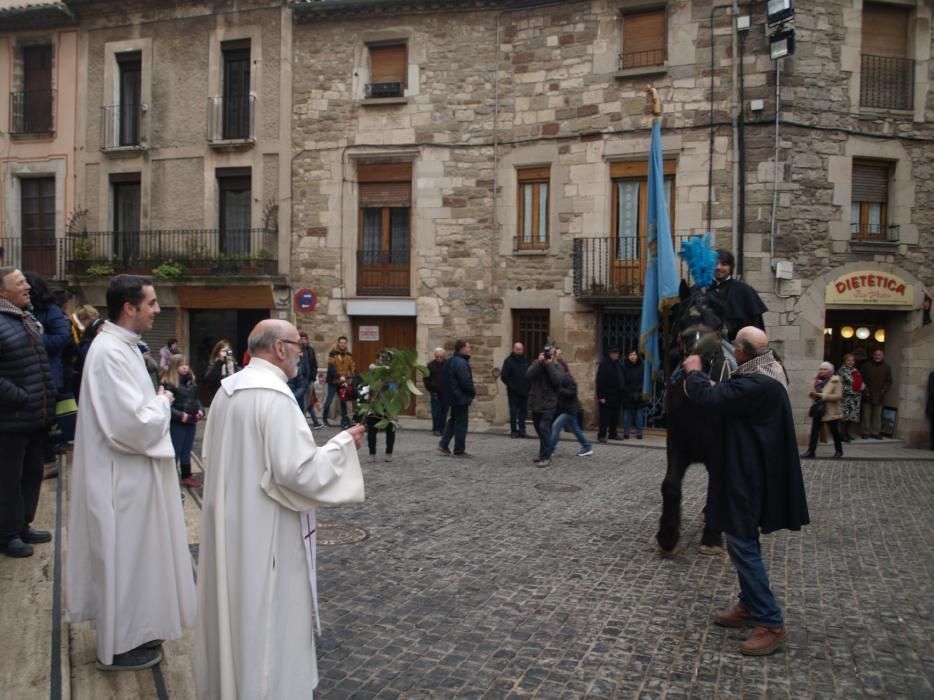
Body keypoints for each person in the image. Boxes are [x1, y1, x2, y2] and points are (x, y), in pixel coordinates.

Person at [194, 319, 366, 700]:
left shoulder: (228, 391)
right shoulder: (275, 396)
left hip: (231, 522)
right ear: (279, 348)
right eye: (297, 344)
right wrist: (342, 445)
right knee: (266, 614)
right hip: (266, 529)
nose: (302, 351)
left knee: (235, 612)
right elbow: (297, 471)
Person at [66, 275, 196, 671]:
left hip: (132, 475)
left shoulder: (119, 348)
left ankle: (136, 629)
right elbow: (130, 424)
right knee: (124, 557)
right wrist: (162, 400)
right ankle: (119, 645)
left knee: (136, 559)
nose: (157, 310)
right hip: (121, 478)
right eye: (152, 303)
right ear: (129, 307)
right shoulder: (109, 353)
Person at [682, 326, 809, 656]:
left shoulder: (757, 383)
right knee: (742, 541)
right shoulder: (765, 372)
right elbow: (732, 399)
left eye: (734, 347)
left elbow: (709, 399)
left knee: (741, 542)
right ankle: (749, 605)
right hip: (747, 469)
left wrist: (695, 373)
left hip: (747, 476)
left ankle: (770, 621)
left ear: (740, 351)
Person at [0, 267, 56, 558]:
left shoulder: (25, 318)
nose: (27, 286)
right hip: (11, 419)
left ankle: (22, 525)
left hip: (35, 416)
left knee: (32, 474)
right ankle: (7, 534)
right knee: (8, 479)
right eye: (19, 282)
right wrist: (20, 397)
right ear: (2, 292)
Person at [161, 354, 205, 487]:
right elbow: (166, 406)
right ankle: (170, 478)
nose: (185, 367)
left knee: (187, 449)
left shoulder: (191, 382)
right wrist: (181, 416)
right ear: (175, 367)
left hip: (190, 422)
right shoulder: (169, 383)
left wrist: (200, 411)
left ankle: (186, 475)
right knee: (175, 450)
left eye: (186, 364)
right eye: (181, 365)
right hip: (177, 424)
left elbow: (196, 399)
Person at [709, 250, 768, 342]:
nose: (718, 267)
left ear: (731, 267)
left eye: (724, 264)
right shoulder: (701, 289)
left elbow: (756, 327)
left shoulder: (744, 290)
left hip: (738, 347)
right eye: (715, 264)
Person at [526, 344, 564, 468]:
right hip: (536, 403)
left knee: (544, 428)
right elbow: (528, 375)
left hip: (549, 403)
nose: (549, 356)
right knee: (540, 430)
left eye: (551, 354)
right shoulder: (538, 364)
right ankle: (543, 453)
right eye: (547, 354)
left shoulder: (558, 367)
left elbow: (557, 380)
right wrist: (539, 362)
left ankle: (546, 456)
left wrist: (549, 364)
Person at [438, 339, 475, 457]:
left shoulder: (450, 361)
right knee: (461, 424)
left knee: (453, 420)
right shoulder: (461, 363)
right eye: (468, 347)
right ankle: (459, 450)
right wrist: (472, 392)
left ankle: (444, 444)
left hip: (452, 397)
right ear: (463, 348)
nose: (470, 349)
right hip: (460, 397)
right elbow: (466, 382)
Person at [547, 367, 593, 460]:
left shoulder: (567, 379)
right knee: (575, 429)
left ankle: (549, 450)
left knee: (556, 426)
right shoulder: (559, 380)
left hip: (570, 409)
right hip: (567, 409)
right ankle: (587, 447)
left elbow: (572, 392)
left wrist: (559, 390)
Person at [801, 361, 844, 459]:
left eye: (825, 369)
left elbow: (838, 396)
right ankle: (811, 451)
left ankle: (839, 451)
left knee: (834, 432)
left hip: (830, 410)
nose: (822, 371)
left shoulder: (835, 380)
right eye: (821, 369)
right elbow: (813, 392)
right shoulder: (816, 380)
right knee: (814, 431)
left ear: (830, 371)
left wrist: (823, 396)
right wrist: (812, 394)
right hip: (819, 409)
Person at [361, 350, 397, 462]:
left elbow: (394, 387)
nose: (383, 359)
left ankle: (388, 453)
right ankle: (372, 453)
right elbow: (370, 371)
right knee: (371, 430)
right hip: (374, 404)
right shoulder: (374, 368)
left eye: (386, 357)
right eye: (382, 357)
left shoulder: (394, 372)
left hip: (389, 405)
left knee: (390, 429)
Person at [322, 335, 356, 428]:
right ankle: (324, 420)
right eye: (341, 343)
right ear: (338, 343)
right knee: (329, 400)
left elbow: (352, 366)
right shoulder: (332, 353)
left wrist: (354, 374)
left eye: (344, 343)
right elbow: (331, 368)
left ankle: (344, 420)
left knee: (343, 401)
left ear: (346, 344)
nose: (342, 344)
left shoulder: (348, 355)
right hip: (333, 381)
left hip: (342, 382)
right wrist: (339, 376)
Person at [501, 341, 531, 438]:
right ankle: (513, 431)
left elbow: (530, 374)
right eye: (517, 349)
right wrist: (512, 386)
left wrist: (529, 386)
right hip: (513, 392)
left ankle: (522, 430)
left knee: (524, 412)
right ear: (513, 349)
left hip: (524, 391)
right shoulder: (508, 361)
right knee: (513, 412)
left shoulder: (526, 360)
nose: (519, 351)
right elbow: (504, 376)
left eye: (520, 349)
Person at [860, 349, 892, 439]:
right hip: (867, 393)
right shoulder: (866, 366)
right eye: (875, 354)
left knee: (877, 415)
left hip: (879, 394)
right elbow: (860, 379)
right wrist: (864, 389)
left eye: (879, 355)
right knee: (866, 414)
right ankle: (865, 432)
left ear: (883, 356)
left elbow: (889, 381)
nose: (877, 356)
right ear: (873, 355)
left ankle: (875, 432)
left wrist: (884, 391)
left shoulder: (887, 367)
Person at [595, 346, 623, 443]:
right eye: (614, 353)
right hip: (606, 395)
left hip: (616, 394)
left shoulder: (618, 364)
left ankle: (613, 433)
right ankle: (601, 435)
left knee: (614, 416)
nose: (616, 355)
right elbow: (600, 381)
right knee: (605, 417)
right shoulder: (604, 364)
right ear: (610, 354)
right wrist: (601, 396)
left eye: (617, 353)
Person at [620, 349, 646, 440]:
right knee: (627, 415)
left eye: (634, 355)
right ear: (628, 356)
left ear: (637, 356)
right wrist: (629, 392)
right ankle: (626, 432)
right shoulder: (624, 366)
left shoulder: (642, 366)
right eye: (631, 355)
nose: (633, 356)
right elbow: (622, 381)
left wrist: (639, 392)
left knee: (639, 415)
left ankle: (639, 433)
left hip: (639, 394)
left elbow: (644, 380)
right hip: (628, 394)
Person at [836, 353, 863, 442]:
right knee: (845, 417)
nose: (850, 362)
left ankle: (847, 433)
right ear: (845, 361)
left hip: (855, 398)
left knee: (851, 417)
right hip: (846, 398)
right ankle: (842, 435)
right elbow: (839, 385)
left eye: (852, 360)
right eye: (848, 360)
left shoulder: (855, 370)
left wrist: (862, 386)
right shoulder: (842, 371)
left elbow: (859, 381)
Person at [203, 339, 239, 404]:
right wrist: (219, 362)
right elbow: (208, 379)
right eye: (223, 351)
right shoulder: (214, 364)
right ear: (218, 352)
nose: (226, 353)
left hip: (231, 397)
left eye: (227, 351)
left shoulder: (233, 364)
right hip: (218, 395)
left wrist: (231, 364)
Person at [424, 347, 447, 436]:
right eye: (437, 357)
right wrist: (430, 389)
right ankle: (436, 429)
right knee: (436, 411)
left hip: (445, 392)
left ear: (443, 356)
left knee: (444, 411)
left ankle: (443, 429)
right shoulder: (430, 365)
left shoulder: (448, 364)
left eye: (440, 357)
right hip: (435, 392)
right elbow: (426, 378)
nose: (439, 359)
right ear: (435, 356)